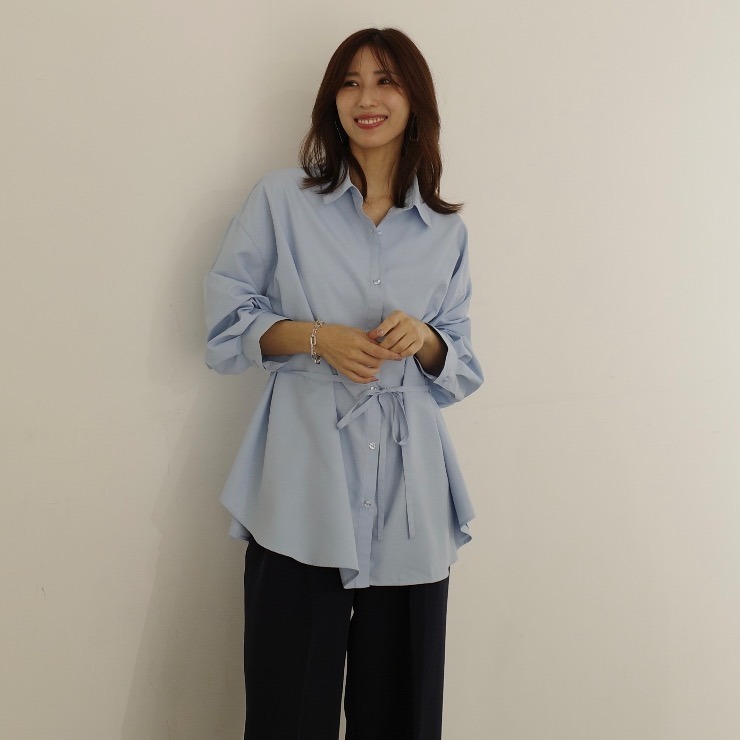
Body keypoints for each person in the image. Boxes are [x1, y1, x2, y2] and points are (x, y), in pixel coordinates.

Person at [204, 26, 484, 740]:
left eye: (386, 81)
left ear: (415, 101)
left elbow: (459, 363)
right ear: (332, 100)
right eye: (350, 82)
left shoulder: (445, 231)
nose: (367, 98)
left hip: (409, 498)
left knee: (402, 715)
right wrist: (316, 338)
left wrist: (425, 340)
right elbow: (225, 321)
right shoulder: (281, 200)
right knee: (287, 713)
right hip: (302, 486)